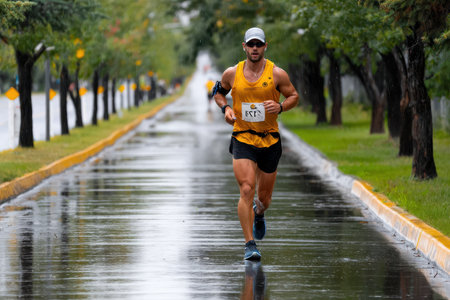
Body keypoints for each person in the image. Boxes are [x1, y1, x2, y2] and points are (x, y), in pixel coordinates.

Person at [213, 27, 299, 260]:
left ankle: (259, 213)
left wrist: (280, 107)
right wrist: (226, 108)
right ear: (244, 47)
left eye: (258, 44)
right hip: (243, 136)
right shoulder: (232, 73)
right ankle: (249, 244)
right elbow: (219, 93)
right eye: (250, 44)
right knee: (246, 189)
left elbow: (294, 96)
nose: (254, 48)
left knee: (264, 198)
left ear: (264, 47)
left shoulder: (277, 74)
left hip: (269, 140)